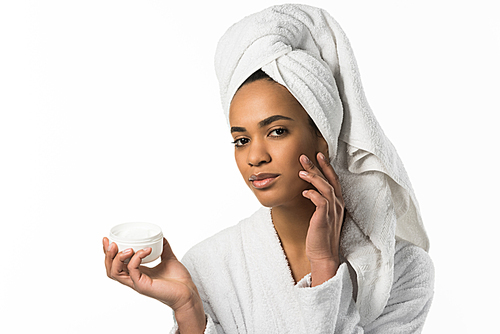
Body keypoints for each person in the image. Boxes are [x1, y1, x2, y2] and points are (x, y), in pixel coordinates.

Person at [103, 4, 434, 333]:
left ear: (323, 136)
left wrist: (324, 267)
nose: (255, 156)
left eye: (277, 131)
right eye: (241, 140)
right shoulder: (208, 266)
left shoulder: (401, 271)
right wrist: (189, 311)